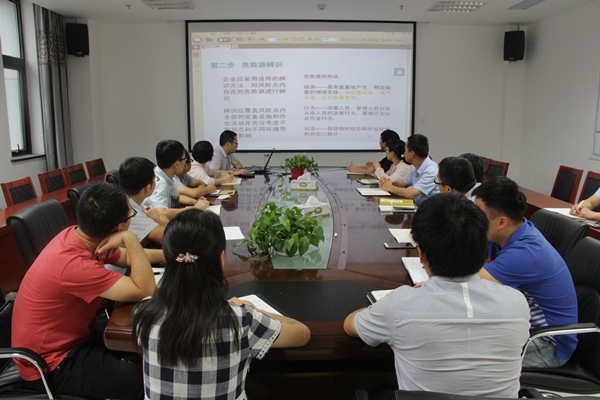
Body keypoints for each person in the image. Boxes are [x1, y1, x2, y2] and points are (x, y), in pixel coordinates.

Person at [344, 193, 530, 398]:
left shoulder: (399, 305)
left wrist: (384, 307)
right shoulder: (517, 303)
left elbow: (350, 325)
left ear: (421, 254)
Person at [133, 209, 311, 400]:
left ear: (168, 258)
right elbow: (302, 333)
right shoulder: (241, 320)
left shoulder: (144, 314)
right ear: (221, 259)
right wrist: (253, 309)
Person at [12, 182, 165, 400]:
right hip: (53, 363)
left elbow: (127, 257)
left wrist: (171, 255)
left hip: (76, 338)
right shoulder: (74, 265)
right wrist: (130, 239)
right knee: (151, 382)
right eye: (132, 213)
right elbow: (145, 289)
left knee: (149, 354)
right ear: (119, 227)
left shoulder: (78, 236)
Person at [473, 177, 578, 368]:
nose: (473, 221)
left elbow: (468, 284)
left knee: (466, 356)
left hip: (546, 343)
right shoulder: (508, 234)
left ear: (501, 222)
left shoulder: (525, 252)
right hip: (520, 325)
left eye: (478, 216)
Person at [144, 140, 209, 219]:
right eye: (184, 159)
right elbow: (161, 212)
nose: (185, 163)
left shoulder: (167, 176)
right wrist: (194, 209)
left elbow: (177, 198)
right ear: (177, 164)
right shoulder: (160, 182)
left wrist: (196, 202)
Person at [379, 134, 440, 206]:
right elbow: (401, 184)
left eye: (405, 151)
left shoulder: (431, 170)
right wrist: (387, 182)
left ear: (412, 154)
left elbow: (411, 194)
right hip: (419, 207)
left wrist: (390, 187)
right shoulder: (416, 167)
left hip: (430, 210)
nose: (404, 154)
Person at [119, 157, 167, 245]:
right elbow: (169, 238)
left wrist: (158, 218)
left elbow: (162, 217)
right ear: (147, 188)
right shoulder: (131, 212)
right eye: (155, 180)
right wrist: (156, 219)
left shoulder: (129, 199)